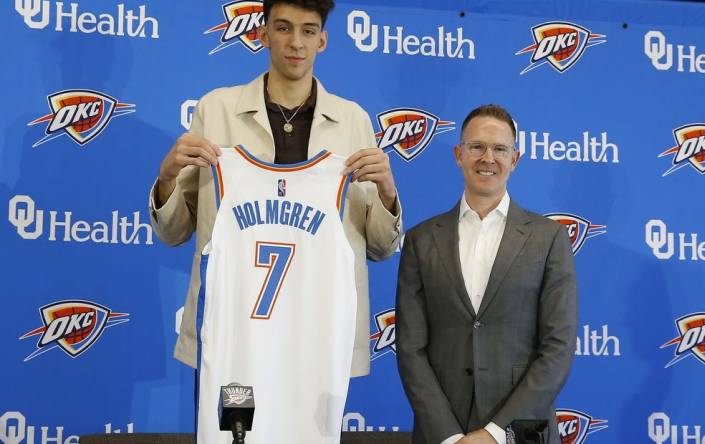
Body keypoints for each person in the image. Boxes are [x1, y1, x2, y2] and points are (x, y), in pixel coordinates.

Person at [148, 0, 402, 380]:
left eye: (308, 30)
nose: (296, 42)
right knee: (230, 439)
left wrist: (387, 194)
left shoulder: (353, 121)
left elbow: (380, 248)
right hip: (234, 325)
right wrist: (166, 179)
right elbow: (174, 233)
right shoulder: (216, 109)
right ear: (264, 35)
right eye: (283, 28)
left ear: (323, 41)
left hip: (319, 329)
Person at [396, 104, 577, 444]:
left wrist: (495, 434)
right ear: (458, 154)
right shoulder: (421, 240)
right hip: (442, 433)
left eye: (500, 149)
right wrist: (450, 436)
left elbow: (558, 347)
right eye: (476, 147)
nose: (487, 158)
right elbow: (410, 348)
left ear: (515, 159)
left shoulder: (549, 238)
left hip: (521, 433)